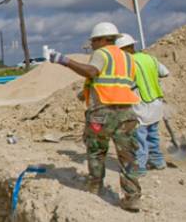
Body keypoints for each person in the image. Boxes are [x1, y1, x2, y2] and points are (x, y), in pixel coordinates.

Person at [47, 22, 142, 212]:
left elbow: (92, 72)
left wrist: (65, 60)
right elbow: (118, 82)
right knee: (128, 156)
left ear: (101, 40)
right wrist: (86, 92)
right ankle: (132, 197)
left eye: (93, 41)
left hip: (103, 112)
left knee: (97, 151)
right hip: (127, 114)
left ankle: (95, 186)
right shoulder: (129, 58)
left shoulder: (102, 53)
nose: (91, 45)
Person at [115, 33, 170, 175]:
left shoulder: (127, 64)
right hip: (156, 103)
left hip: (140, 104)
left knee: (139, 137)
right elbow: (165, 72)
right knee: (152, 134)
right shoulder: (150, 59)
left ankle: (140, 166)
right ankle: (158, 161)